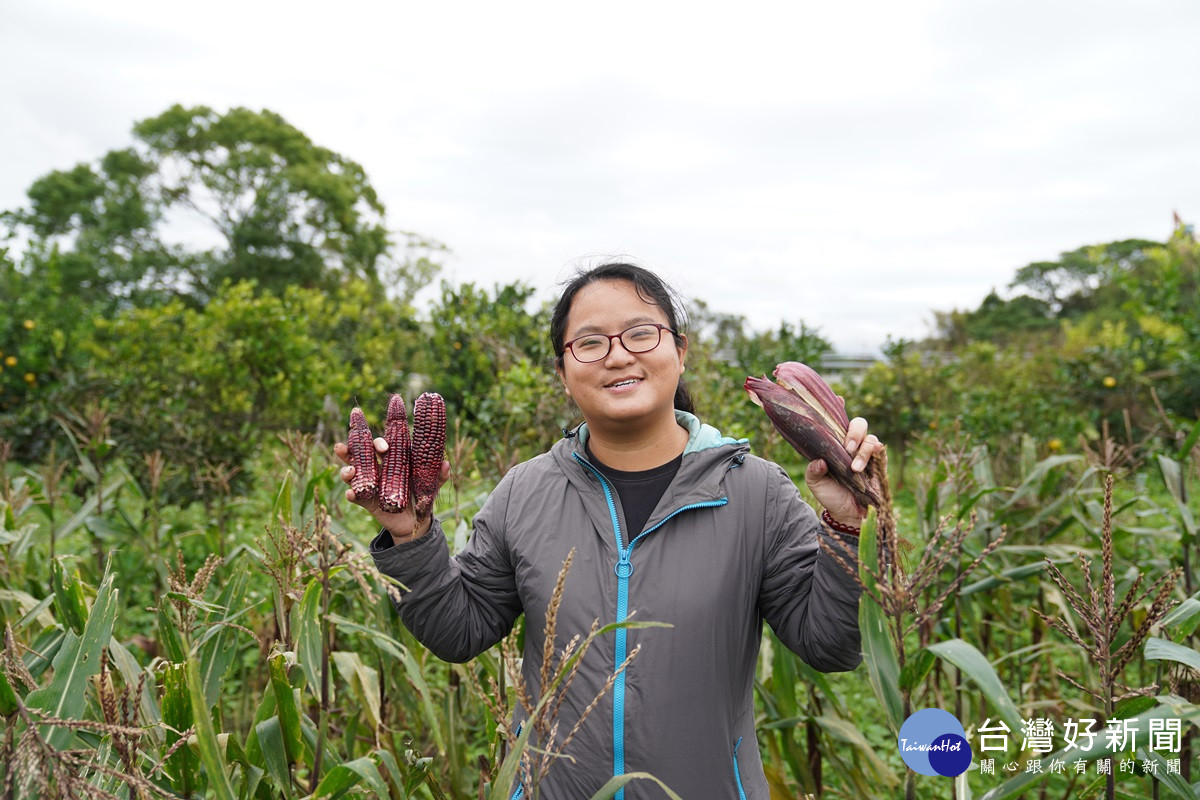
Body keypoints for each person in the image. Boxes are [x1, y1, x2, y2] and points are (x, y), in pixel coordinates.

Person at [334, 263, 881, 799]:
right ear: (563, 372)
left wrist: (850, 527)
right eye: (590, 343)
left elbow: (831, 645)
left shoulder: (757, 493)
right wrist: (410, 537)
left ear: (680, 351)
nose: (619, 354)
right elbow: (458, 632)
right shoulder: (524, 493)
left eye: (641, 334)